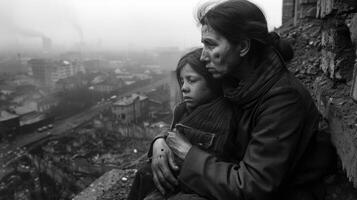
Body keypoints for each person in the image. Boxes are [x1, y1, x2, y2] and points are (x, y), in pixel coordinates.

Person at [147, 0, 336, 200]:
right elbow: (190, 114)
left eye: (210, 44)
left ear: (244, 46)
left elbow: (252, 186)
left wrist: (188, 154)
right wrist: (160, 141)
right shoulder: (233, 82)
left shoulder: (283, 101)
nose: (203, 56)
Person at [127, 48, 237, 200]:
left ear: (212, 81)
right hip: (179, 183)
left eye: (191, 80)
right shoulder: (185, 110)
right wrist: (159, 140)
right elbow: (175, 134)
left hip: (195, 189)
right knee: (143, 175)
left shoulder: (224, 116)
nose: (184, 87)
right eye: (181, 81)